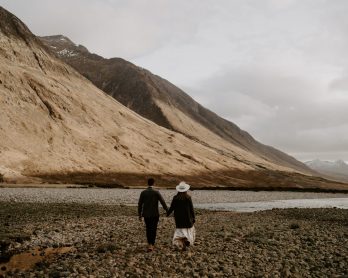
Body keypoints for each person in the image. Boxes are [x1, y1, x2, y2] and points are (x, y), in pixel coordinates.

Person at [138, 178, 168, 251]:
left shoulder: (143, 192)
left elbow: (140, 204)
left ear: (147, 183)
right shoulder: (156, 192)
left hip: (146, 214)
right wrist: (167, 210)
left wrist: (139, 214)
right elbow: (162, 202)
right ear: (153, 183)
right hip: (155, 214)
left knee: (148, 228)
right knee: (154, 229)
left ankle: (149, 244)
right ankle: (152, 243)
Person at [167, 181, 195, 250]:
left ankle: (181, 243)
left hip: (178, 218)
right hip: (187, 218)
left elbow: (172, 207)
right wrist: (193, 217)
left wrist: (167, 213)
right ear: (186, 190)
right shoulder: (188, 197)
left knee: (179, 231)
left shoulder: (175, 198)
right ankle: (187, 241)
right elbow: (191, 209)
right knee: (188, 230)